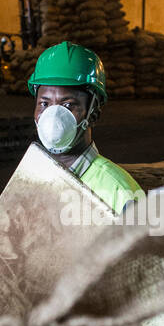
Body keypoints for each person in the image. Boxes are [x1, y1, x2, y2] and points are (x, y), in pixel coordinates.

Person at [27, 41, 144, 214]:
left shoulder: (120, 193)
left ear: (94, 115)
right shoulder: (29, 179)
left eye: (67, 105)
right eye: (44, 104)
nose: (52, 116)